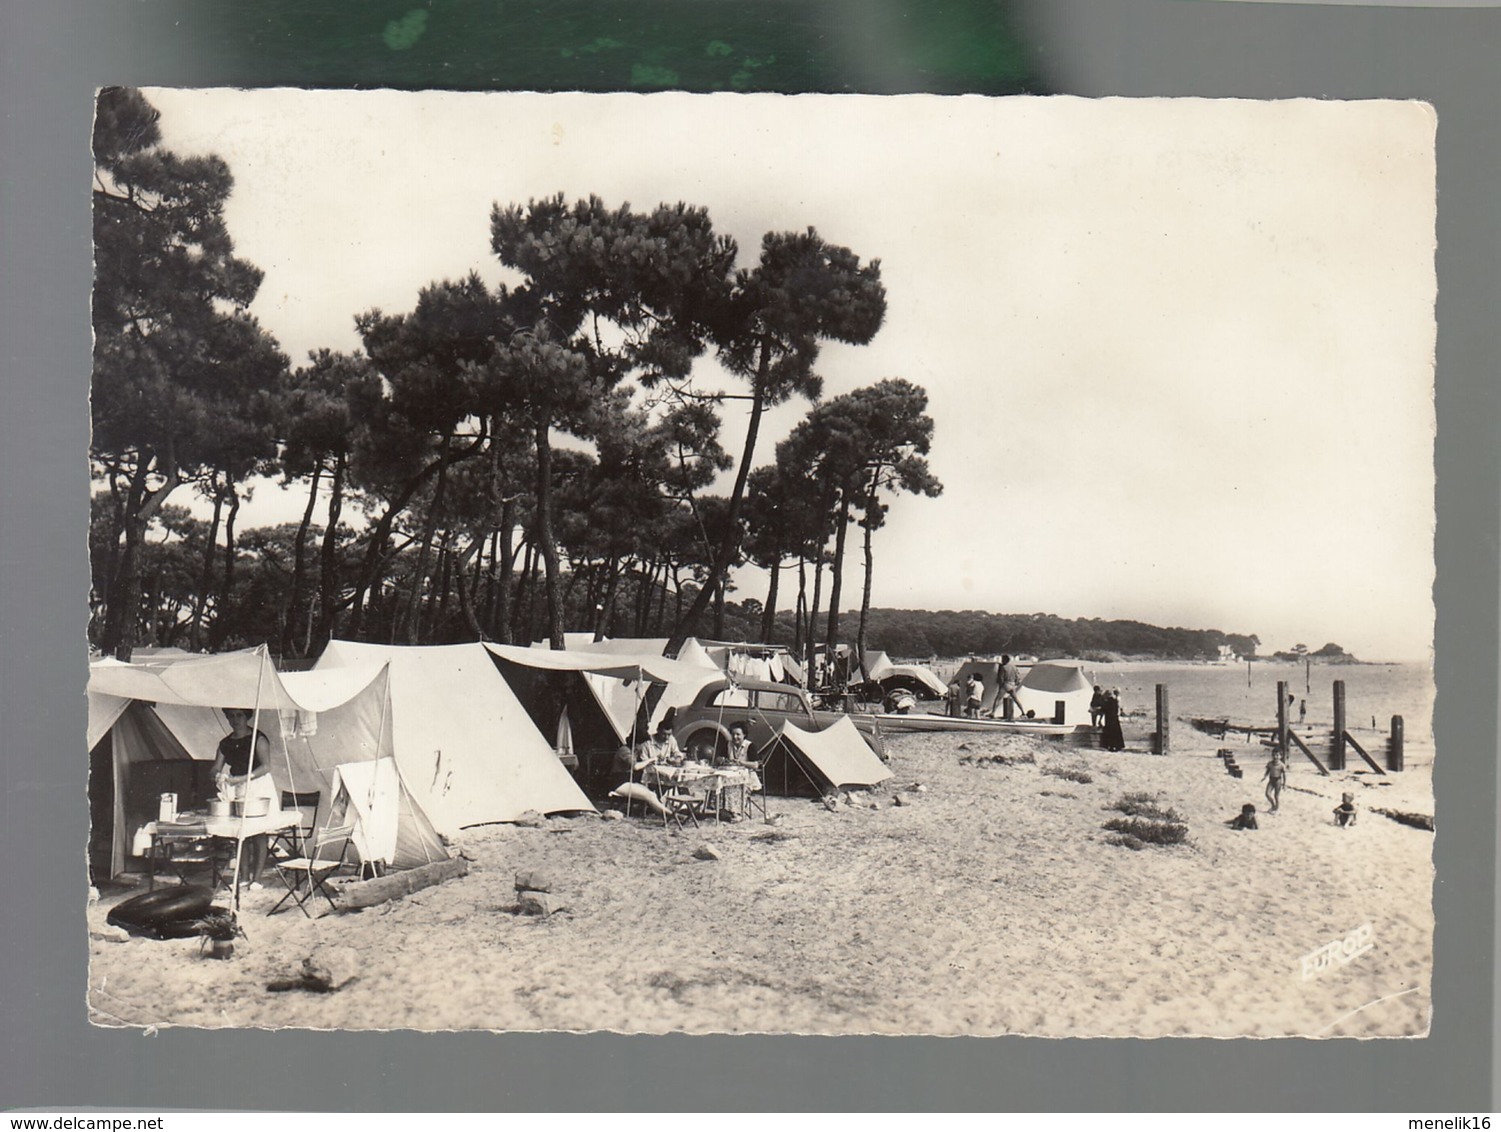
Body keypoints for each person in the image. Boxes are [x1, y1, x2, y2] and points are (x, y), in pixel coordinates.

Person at [211, 706, 277, 890]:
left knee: (258, 832)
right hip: (238, 788)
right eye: (231, 716)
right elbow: (216, 766)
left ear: (247, 716)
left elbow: (265, 766)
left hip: (258, 786)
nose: (235, 719)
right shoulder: (225, 743)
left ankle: (256, 878)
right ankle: (244, 876)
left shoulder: (258, 738)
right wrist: (216, 775)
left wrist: (243, 778)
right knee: (242, 834)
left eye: (239, 715)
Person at [997, 655, 1022, 720]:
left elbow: (1001, 678)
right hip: (1012, 684)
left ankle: (993, 712)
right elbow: (1017, 677)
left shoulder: (1004, 667)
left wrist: (1001, 685)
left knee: (998, 699)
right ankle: (1023, 712)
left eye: (1002, 659)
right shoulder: (1014, 667)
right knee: (1016, 700)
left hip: (1006, 684)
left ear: (1005, 660)